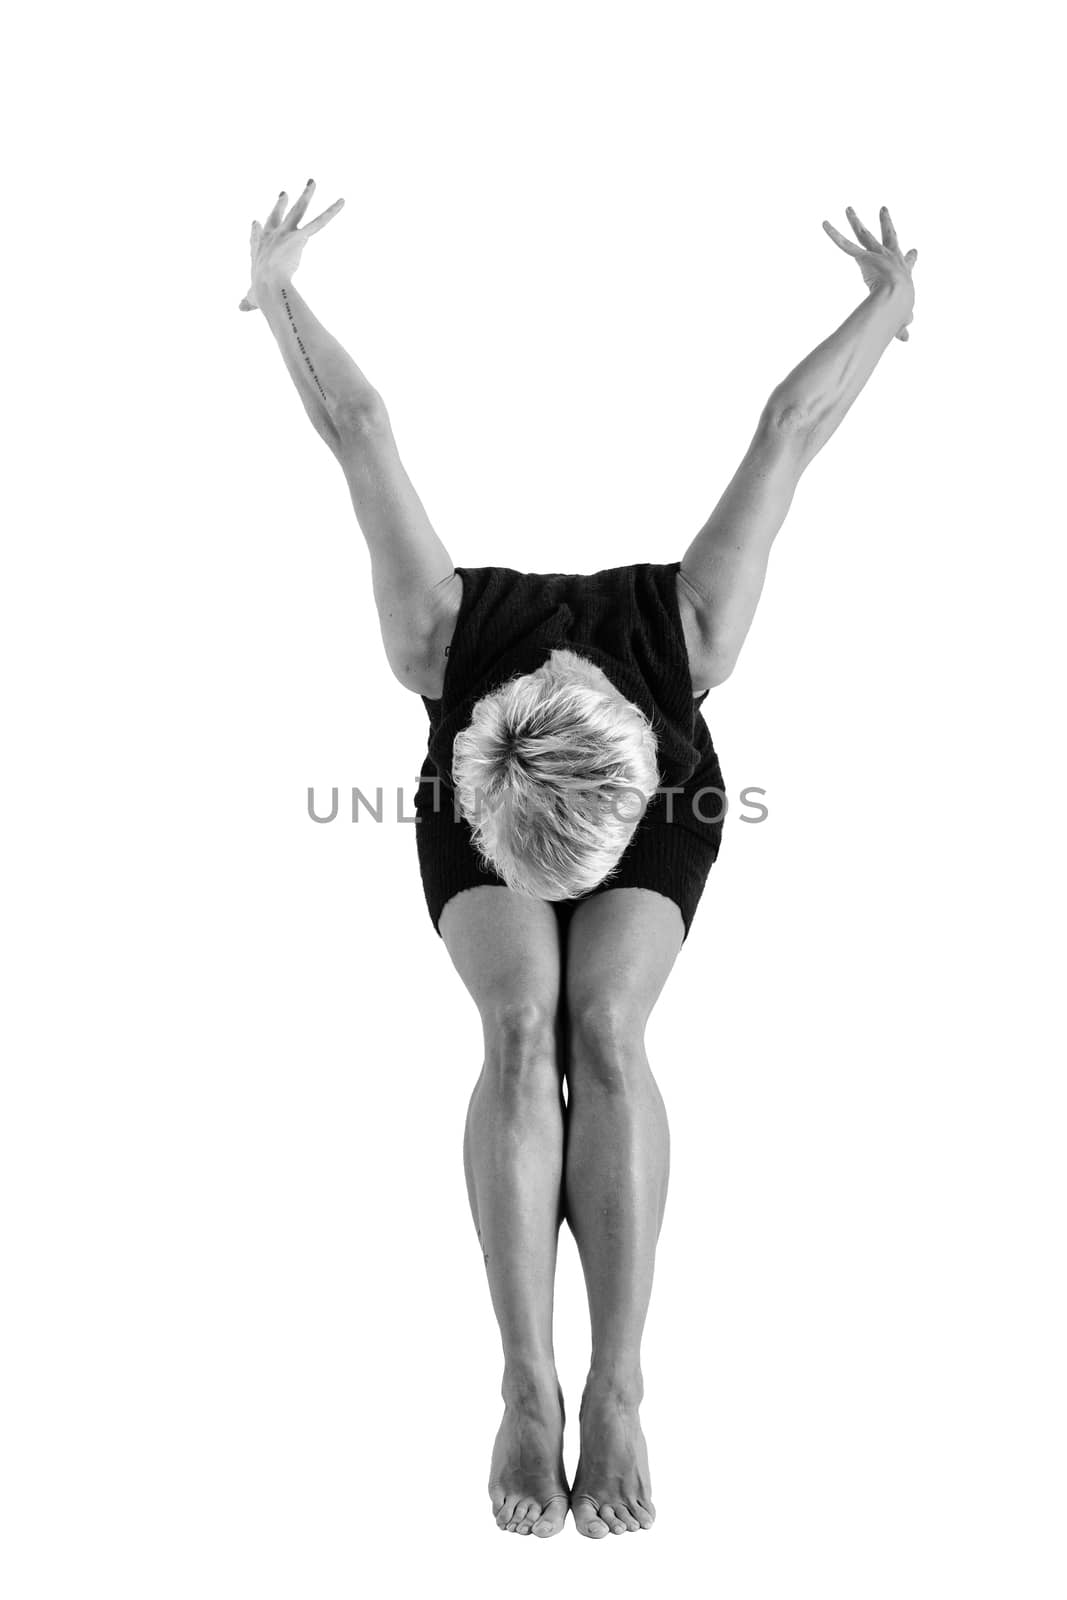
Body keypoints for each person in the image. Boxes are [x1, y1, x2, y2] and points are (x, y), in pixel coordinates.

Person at [240, 184, 917, 1539]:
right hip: (506, 785)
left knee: (602, 1027)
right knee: (515, 1023)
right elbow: (356, 427)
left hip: (636, 783)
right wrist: (277, 287)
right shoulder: (440, 641)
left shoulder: (692, 638)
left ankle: (616, 1387)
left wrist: (888, 303)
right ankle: (525, 1383)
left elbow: (792, 427)